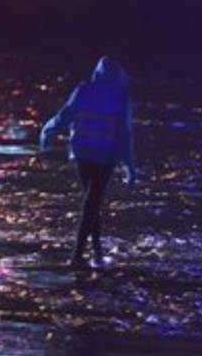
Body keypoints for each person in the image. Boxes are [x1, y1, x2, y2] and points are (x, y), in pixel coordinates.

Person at [39, 57, 136, 270]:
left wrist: (47, 131)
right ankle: (79, 255)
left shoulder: (84, 90)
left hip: (82, 153)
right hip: (105, 155)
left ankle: (97, 254)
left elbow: (65, 115)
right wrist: (129, 166)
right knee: (92, 202)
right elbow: (125, 134)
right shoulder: (121, 97)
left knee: (91, 202)